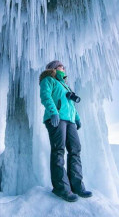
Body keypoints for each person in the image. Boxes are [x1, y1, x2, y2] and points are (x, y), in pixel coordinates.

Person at [39, 60, 92, 202]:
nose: (63, 67)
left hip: (70, 121)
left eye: (63, 65)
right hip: (56, 119)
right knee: (58, 150)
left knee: (75, 150)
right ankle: (61, 188)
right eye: (61, 65)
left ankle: (76, 185)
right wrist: (53, 112)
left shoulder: (66, 86)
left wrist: (77, 118)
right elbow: (45, 96)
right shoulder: (48, 80)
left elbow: (71, 106)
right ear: (54, 68)